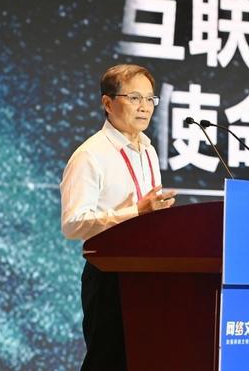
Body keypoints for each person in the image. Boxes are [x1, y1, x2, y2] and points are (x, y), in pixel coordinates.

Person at [60, 64, 177, 371]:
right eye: (135, 97)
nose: (145, 107)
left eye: (150, 99)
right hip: (110, 275)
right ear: (108, 103)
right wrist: (136, 212)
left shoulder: (148, 150)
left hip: (150, 273)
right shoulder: (90, 155)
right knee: (108, 362)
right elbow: (72, 223)